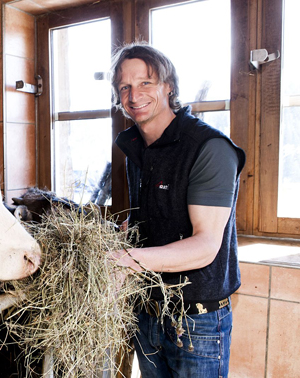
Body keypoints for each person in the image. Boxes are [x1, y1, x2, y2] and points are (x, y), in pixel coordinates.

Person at [109, 42, 246, 378]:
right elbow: (158, 212)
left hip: (195, 320)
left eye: (145, 83)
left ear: (168, 87)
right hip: (148, 310)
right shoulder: (137, 148)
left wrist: (125, 260)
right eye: (124, 86)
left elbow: (205, 246)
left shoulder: (208, 148)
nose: (133, 95)